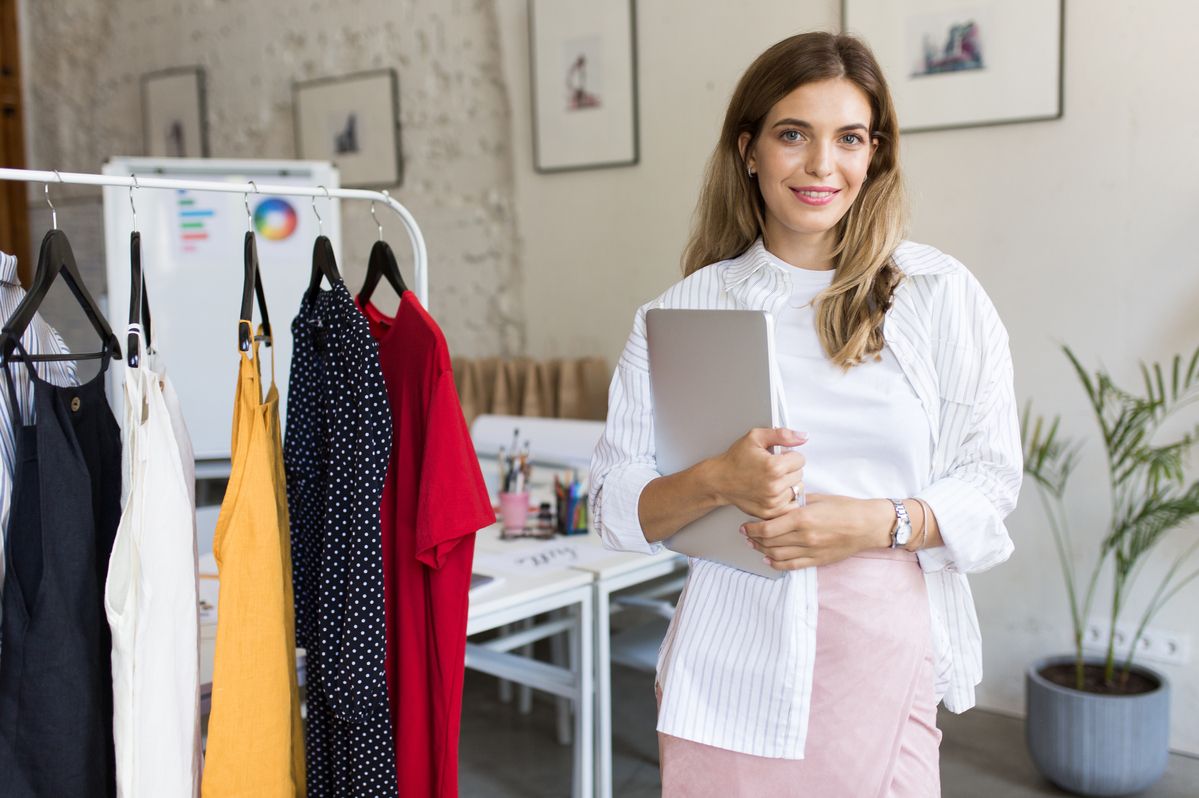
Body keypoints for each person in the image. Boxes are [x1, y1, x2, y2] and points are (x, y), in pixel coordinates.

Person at [589, 31, 1021, 796]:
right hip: (726, 661)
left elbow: (989, 483)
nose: (823, 166)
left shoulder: (936, 294)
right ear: (748, 149)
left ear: (874, 154)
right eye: (794, 135)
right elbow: (616, 508)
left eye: (848, 138)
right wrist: (718, 479)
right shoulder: (685, 309)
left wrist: (874, 523)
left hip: (879, 650)